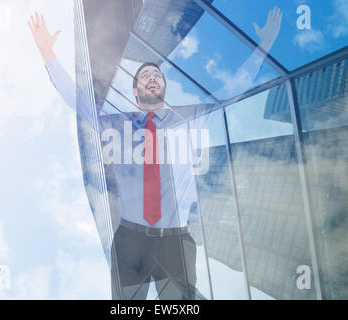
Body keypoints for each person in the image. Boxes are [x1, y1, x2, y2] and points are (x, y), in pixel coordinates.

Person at [28, 7, 282, 299]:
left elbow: (232, 89)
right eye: (145, 75)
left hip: (175, 240)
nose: (152, 78)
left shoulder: (191, 118)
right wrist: (48, 54)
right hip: (130, 238)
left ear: (163, 87)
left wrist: (264, 47)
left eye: (157, 76)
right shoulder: (116, 124)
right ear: (135, 92)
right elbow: (78, 100)